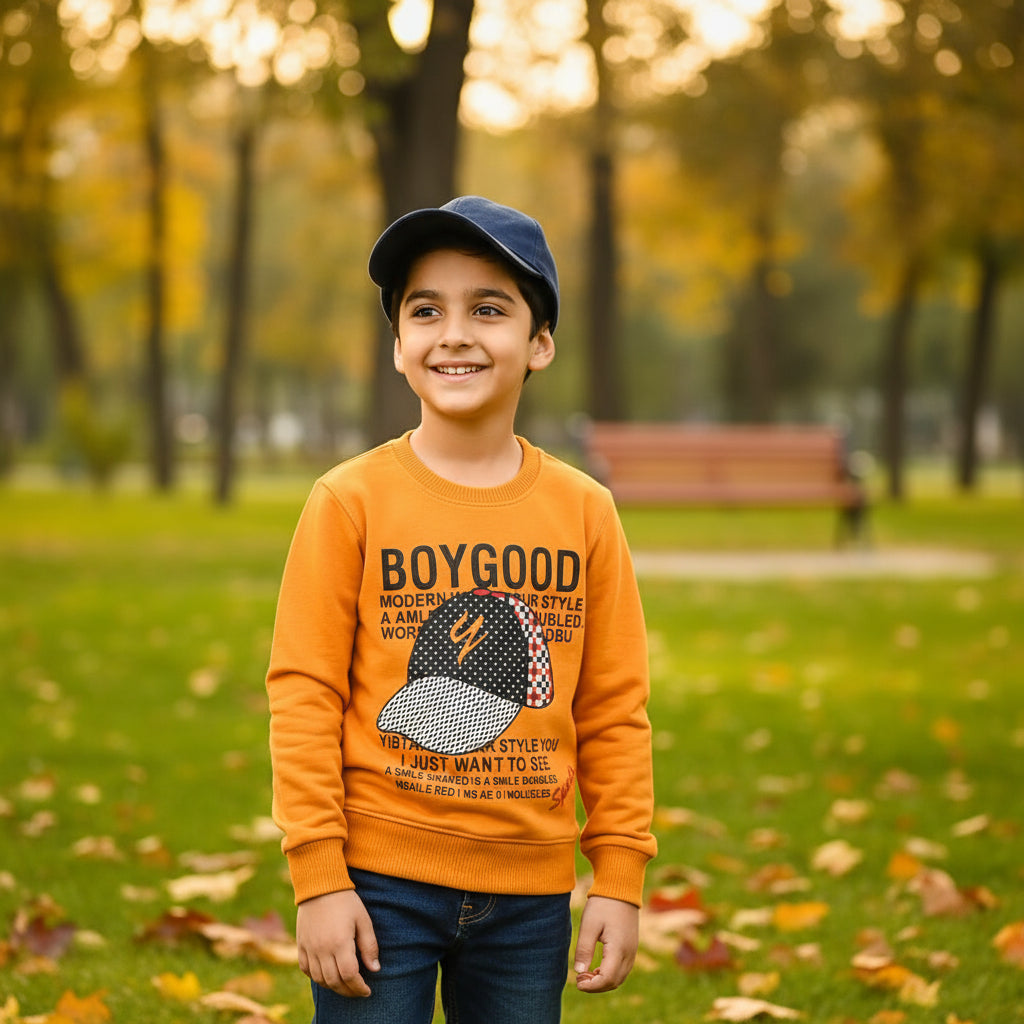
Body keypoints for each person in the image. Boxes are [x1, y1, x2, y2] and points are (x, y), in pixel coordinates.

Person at [266, 195, 656, 1024]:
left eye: (488, 308)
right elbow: (304, 694)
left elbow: (615, 708)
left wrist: (618, 875)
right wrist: (318, 876)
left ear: (539, 342)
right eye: (425, 310)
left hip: (529, 896)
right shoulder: (349, 501)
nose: (454, 332)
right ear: (399, 346)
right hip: (376, 886)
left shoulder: (585, 512)